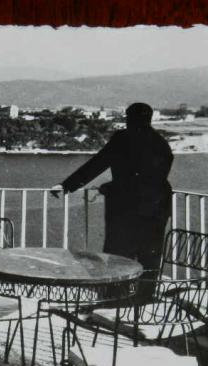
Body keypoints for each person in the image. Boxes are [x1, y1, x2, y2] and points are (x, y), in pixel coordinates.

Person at [51, 102, 173, 302]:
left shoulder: (123, 138)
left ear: (129, 118)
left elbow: (98, 163)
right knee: (150, 257)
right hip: (156, 208)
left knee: (118, 255)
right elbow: (152, 178)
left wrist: (68, 185)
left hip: (126, 209)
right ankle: (144, 299)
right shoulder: (161, 143)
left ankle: (116, 298)